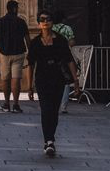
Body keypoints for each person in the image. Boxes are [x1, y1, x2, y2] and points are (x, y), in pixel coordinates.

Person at [28, 11, 81, 157]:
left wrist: (75, 81)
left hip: (58, 79)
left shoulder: (60, 40)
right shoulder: (35, 43)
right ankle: (49, 140)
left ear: (52, 22)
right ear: (39, 23)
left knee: (54, 111)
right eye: (42, 20)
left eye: (48, 19)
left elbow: (69, 60)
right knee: (46, 109)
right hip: (42, 79)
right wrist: (30, 86)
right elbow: (31, 64)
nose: (45, 22)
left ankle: (51, 136)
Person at [0, 0, 31, 112]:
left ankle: (6, 103)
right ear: (14, 9)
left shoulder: (0, 22)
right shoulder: (21, 22)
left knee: (5, 79)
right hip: (19, 53)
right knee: (16, 79)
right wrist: (31, 53)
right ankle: (16, 104)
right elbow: (27, 39)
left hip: (4, 54)